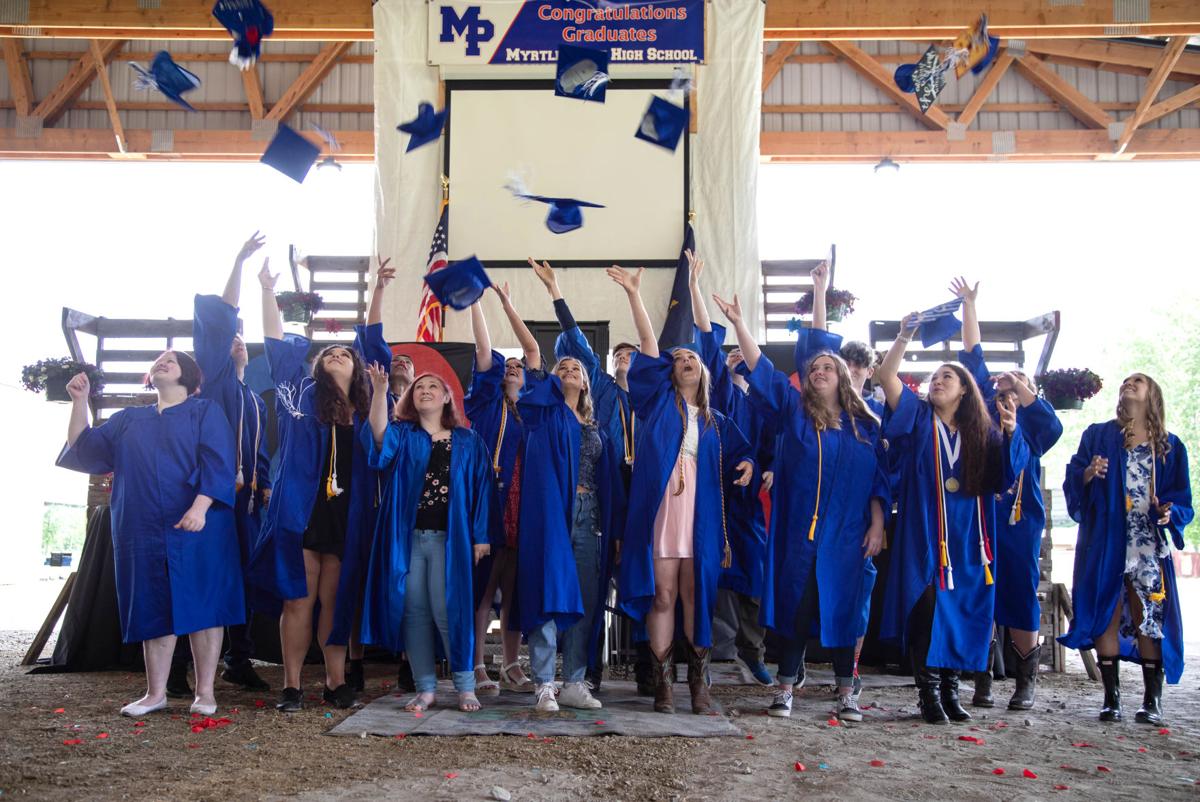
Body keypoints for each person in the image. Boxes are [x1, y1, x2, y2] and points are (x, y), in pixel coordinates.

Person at [712, 291, 888, 722]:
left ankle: (847, 693)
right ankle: (785, 689)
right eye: (814, 369)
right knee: (797, 608)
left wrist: (878, 525)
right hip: (801, 535)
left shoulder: (864, 426)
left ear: (844, 376)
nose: (820, 372)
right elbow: (764, 373)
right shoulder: (794, 413)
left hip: (849, 534)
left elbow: (880, 481)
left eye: (829, 367)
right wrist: (739, 323)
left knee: (848, 610)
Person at [874, 278, 1028, 725]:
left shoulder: (982, 433)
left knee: (960, 607)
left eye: (948, 377)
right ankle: (927, 692)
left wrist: (1014, 431)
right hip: (926, 528)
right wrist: (903, 335)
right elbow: (886, 376)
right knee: (927, 604)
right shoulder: (918, 418)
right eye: (934, 377)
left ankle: (950, 688)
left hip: (970, 533)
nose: (938, 381)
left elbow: (1005, 475)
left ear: (964, 390)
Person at [57, 354, 243, 717]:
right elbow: (86, 448)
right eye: (159, 360)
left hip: (198, 524)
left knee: (204, 605)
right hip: (141, 526)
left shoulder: (205, 412)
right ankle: (154, 692)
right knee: (152, 603)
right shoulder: (129, 419)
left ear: (190, 377)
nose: (163, 362)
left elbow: (219, 460)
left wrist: (200, 507)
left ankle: (205, 692)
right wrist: (79, 402)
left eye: (172, 361)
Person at [608, 265, 754, 715]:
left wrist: (749, 464)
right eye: (678, 360)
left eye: (691, 358)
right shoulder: (653, 404)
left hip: (702, 513)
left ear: (704, 372)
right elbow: (650, 348)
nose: (684, 362)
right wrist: (635, 295)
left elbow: (743, 453)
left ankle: (698, 683)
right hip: (662, 511)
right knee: (664, 594)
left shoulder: (718, 421)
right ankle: (664, 684)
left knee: (697, 594)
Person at [251, 260, 384, 712]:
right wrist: (268, 292)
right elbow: (273, 345)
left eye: (344, 353)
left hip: (348, 516)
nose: (336, 355)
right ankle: (291, 685)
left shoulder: (369, 410)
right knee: (299, 600)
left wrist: (379, 291)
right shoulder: (297, 395)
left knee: (336, 600)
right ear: (317, 366)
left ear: (358, 368)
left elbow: (375, 343)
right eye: (328, 353)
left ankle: (334, 681)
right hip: (303, 512)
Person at [494, 282, 626, 712]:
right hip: (552, 515)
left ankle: (575, 681)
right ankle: (545, 682)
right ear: (552, 380)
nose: (570, 368)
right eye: (563, 366)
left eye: (576, 368)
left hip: (589, 517)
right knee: (550, 592)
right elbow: (532, 349)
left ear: (586, 382)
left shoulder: (596, 428)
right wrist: (511, 302)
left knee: (587, 600)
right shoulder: (543, 412)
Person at [531, 257, 640, 694]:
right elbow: (573, 342)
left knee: (606, 590)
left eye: (632, 355)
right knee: (562, 584)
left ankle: (632, 670)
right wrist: (555, 291)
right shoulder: (601, 389)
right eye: (619, 355)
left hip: (634, 496)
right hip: (584, 493)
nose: (625, 360)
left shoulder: (650, 398)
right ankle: (577, 675)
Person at [1061, 372, 1192, 725]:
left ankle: (1152, 700)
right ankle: (1111, 698)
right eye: (1126, 381)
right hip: (1106, 540)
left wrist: (1169, 512)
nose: (1128, 384)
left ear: (1153, 394)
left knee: (1149, 618)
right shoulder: (1098, 436)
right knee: (1107, 611)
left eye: (1138, 381)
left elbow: (1183, 501)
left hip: (1146, 545)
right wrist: (1088, 474)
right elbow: (1073, 477)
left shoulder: (1169, 446)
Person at [360, 365, 492, 712]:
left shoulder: (468, 440)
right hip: (408, 539)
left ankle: (465, 685)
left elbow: (482, 489)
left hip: (451, 539)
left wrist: (481, 536)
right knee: (413, 612)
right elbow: (377, 439)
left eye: (434, 386)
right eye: (419, 388)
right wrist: (378, 391)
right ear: (410, 399)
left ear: (447, 397)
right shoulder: (404, 435)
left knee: (449, 611)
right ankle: (426, 688)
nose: (425, 391)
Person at [189, 231, 273, 692]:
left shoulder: (253, 401)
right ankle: (184, 664)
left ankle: (237, 659)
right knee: (202, 575)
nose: (238, 342)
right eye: (231, 339)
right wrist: (240, 262)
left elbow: (260, 456)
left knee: (244, 578)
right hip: (212, 496)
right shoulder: (215, 382)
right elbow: (222, 319)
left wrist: (264, 486)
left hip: (246, 507)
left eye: (243, 340)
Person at [685, 250, 773, 688]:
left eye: (746, 356)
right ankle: (712, 658)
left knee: (754, 577)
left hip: (747, 504)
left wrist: (761, 466)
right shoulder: (715, 395)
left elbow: (773, 449)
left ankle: (754, 653)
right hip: (709, 498)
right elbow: (704, 336)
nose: (738, 359)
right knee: (710, 577)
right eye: (731, 356)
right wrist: (695, 288)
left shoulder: (763, 403)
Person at [956, 352, 1063, 711]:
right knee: (982, 590)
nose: (1009, 393)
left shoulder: (1035, 429)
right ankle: (983, 678)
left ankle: (1024, 681)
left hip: (1020, 523)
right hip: (985, 518)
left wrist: (1017, 390)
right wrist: (970, 307)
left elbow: (1051, 426)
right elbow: (973, 361)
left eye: (1019, 387)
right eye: (1005, 388)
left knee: (1019, 592)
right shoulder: (983, 423)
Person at [464, 299, 535, 695]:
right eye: (506, 365)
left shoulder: (535, 411)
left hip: (524, 508)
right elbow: (483, 351)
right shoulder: (487, 404)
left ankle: (511, 664)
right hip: (491, 502)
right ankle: (476, 664)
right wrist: (478, 305)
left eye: (518, 367)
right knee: (484, 588)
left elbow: (534, 355)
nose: (511, 368)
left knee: (515, 591)